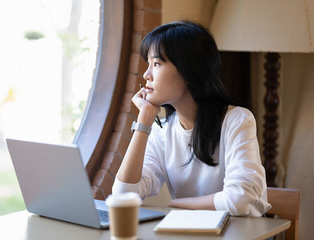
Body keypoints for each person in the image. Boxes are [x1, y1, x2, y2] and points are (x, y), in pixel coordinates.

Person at [112, 20, 271, 216]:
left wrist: (179, 204)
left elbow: (241, 198)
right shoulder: (163, 132)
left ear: (189, 72)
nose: (146, 75)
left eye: (156, 64)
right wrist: (144, 121)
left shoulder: (237, 120)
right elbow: (122, 196)